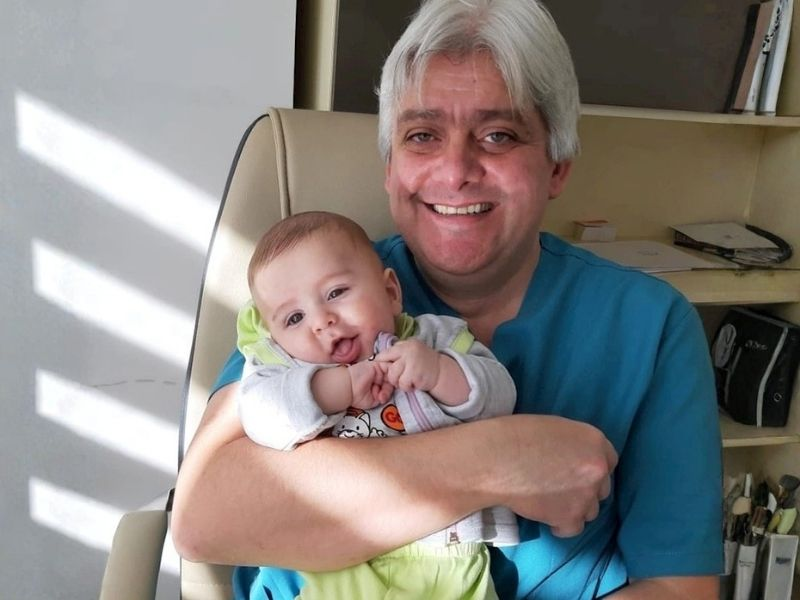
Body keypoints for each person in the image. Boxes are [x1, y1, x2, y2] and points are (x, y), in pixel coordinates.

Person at [172, 0, 723, 597]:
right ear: (390, 166)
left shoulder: (650, 326)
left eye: (498, 135)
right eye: (422, 135)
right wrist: (500, 460)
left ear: (557, 166)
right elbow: (203, 521)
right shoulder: (311, 302)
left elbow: (679, 589)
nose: (455, 170)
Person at [236, 210, 518, 598]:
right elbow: (259, 418)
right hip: (337, 557)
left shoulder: (435, 340)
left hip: (445, 552)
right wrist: (334, 388)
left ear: (390, 292)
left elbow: (501, 397)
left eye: (335, 293)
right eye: (294, 318)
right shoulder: (282, 369)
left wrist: (439, 372)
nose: (321, 321)